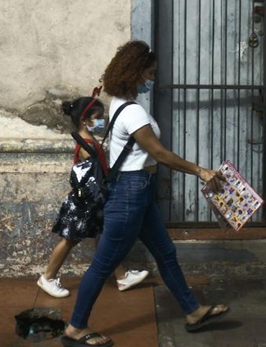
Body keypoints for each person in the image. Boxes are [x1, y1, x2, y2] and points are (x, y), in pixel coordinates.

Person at [61, 41, 229, 347]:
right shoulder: (133, 112)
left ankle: (193, 311)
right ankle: (75, 327)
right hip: (130, 193)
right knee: (103, 264)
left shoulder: (119, 105)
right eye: (149, 73)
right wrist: (201, 171)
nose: (151, 79)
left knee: (165, 252)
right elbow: (159, 153)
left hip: (140, 191)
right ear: (135, 72)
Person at [38, 97, 149, 298]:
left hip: (90, 202)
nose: (101, 122)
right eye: (97, 118)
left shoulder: (87, 139)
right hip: (85, 204)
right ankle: (47, 277)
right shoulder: (87, 144)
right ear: (84, 120)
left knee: (105, 236)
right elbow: (92, 176)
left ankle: (122, 275)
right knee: (70, 240)